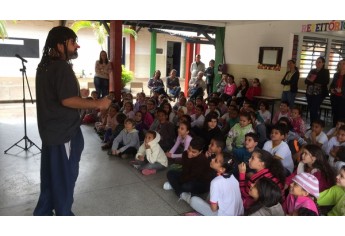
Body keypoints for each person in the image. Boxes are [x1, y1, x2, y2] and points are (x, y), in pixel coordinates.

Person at [34, 26, 111, 216]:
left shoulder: (44, 66)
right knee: (64, 179)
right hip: (64, 134)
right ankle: (63, 214)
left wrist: (80, 95)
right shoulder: (61, 67)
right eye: (72, 42)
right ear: (60, 45)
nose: (77, 45)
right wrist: (99, 103)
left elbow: (58, 95)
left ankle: (43, 213)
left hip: (51, 133)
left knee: (50, 177)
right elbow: (66, 100)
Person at [305, 56, 330, 123]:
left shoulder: (325, 71)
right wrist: (313, 81)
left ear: (323, 63)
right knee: (311, 109)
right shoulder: (312, 70)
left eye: (319, 62)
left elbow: (325, 82)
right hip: (310, 93)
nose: (317, 63)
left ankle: (315, 124)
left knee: (314, 109)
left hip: (319, 93)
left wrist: (312, 80)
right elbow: (306, 81)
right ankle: (313, 124)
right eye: (316, 62)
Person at [329, 59, 345, 127]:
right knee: (335, 115)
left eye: (343, 63)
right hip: (335, 97)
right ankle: (334, 129)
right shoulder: (336, 75)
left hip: (343, 98)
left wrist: (342, 90)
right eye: (340, 63)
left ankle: (341, 130)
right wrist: (331, 89)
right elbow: (332, 85)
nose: (341, 65)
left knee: (341, 116)